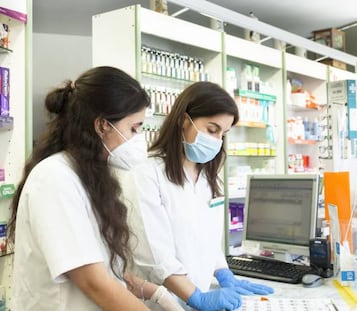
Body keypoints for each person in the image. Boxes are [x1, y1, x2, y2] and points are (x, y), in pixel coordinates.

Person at [8, 66, 183, 311]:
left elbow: (106, 268)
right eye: (134, 128)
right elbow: (93, 282)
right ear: (102, 125)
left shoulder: (93, 177)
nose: (139, 137)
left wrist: (157, 294)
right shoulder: (55, 178)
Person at [128, 81, 274, 311]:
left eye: (223, 134)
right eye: (212, 130)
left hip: (199, 298)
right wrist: (196, 297)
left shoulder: (208, 177)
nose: (216, 140)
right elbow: (155, 255)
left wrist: (223, 272)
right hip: (158, 305)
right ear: (184, 121)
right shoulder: (147, 173)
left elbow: (205, 239)